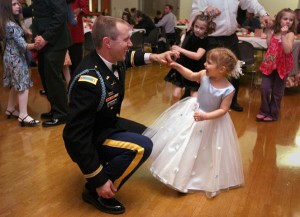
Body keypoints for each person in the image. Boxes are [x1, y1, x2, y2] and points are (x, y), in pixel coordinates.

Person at [63, 16, 177, 214]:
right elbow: (75, 137)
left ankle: (107, 164)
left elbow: (131, 57)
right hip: (91, 136)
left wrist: (154, 57)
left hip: (107, 122)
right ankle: (95, 192)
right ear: (107, 42)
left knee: (153, 135)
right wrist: (97, 179)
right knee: (142, 147)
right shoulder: (88, 81)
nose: (130, 44)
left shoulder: (111, 57)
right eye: (126, 40)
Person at [143, 48, 244, 198]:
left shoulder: (229, 89)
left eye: (209, 62)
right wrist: (176, 66)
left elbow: (223, 110)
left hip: (210, 120)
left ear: (222, 69)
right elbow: (190, 75)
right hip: (193, 112)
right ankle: (178, 176)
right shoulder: (204, 75)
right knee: (185, 144)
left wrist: (206, 116)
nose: (204, 64)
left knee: (203, 150)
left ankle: (195, 177)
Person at [191, 0, 273, 112]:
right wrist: (205, 10)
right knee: (208, 71)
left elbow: (251, 2)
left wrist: (264, 14)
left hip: (231, 38)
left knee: (235, 70)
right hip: (211, 39)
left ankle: (231, 101)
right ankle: (208, 101)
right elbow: (194, 13)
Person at [23, 0, 72, 127]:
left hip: (55, 42)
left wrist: (46, 38)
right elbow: (39, 13)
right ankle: (56, 109)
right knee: (45, 76)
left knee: (53, 77)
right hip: (46, 42)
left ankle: (62, 114)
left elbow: (60, 15)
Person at [0, 0, 40, 127]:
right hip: (16, 58)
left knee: (14, 84)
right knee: (23, 85)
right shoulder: (11, 25)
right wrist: (36, 45)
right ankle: (23, 115)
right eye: (14, 4)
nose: (18, 6)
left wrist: (26, 32)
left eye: (18, 4)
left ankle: (10, 109)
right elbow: (23, 46)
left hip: (9, 58)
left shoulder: (7, 23)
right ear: (7, 8)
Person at [165, 12, 216, 104]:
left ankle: (191, 117)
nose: (198, 30)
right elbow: (181, 46)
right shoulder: (188, 33)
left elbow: (197, 56)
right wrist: (175, 50)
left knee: (194, 98)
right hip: (182, 67)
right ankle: (172, 113)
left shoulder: (205, 40)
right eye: (196, 26)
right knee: (176, 95)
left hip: (195, 70)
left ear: (207, 29)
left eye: (202, 28)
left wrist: (181, 49)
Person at [256, 8, 296, 122]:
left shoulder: (290, 34)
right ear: (279, 20)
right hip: (269, 65)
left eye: (291, 20)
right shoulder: (274, 32)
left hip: (282, 67)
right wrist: (268, 30)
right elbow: (269, 45)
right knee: (264, 88)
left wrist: (283, 35)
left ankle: (273, 113)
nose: (288, 21)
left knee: (277, 92)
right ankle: (264, 110)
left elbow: (287, 50)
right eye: (285, 19)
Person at [67, 0, 89, 76]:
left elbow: (86, 9)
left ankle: (76, 84)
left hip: (75, 35)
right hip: (61, 35)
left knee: (75, 64)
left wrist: (80, 10)